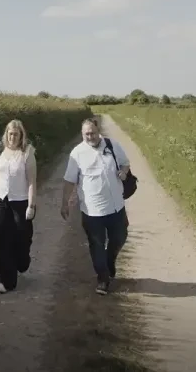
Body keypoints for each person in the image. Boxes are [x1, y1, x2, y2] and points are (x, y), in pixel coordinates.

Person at [60, 116, 130, 295]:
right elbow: (69, 180)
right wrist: (65, 203)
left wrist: (123, 171)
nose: (89, 137)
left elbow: (125, 163)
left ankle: (109, 260)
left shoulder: (112, 145)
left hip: (116, 207)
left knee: (120, 238)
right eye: (85, 134)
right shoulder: (77, 153)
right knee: (96, 244)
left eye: (92, 133)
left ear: (98, 131)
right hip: (93, 211)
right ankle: (102, 279)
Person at [0, 119, 37, 294]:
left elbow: (32, 181)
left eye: (16, 134)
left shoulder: (27, 152)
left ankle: (22, 262)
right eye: (10, 134)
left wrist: (31, 205)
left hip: (20, 201)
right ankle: (7, 280)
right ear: (6, 134)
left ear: (21, 135)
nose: (12, 137)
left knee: (22, 237)